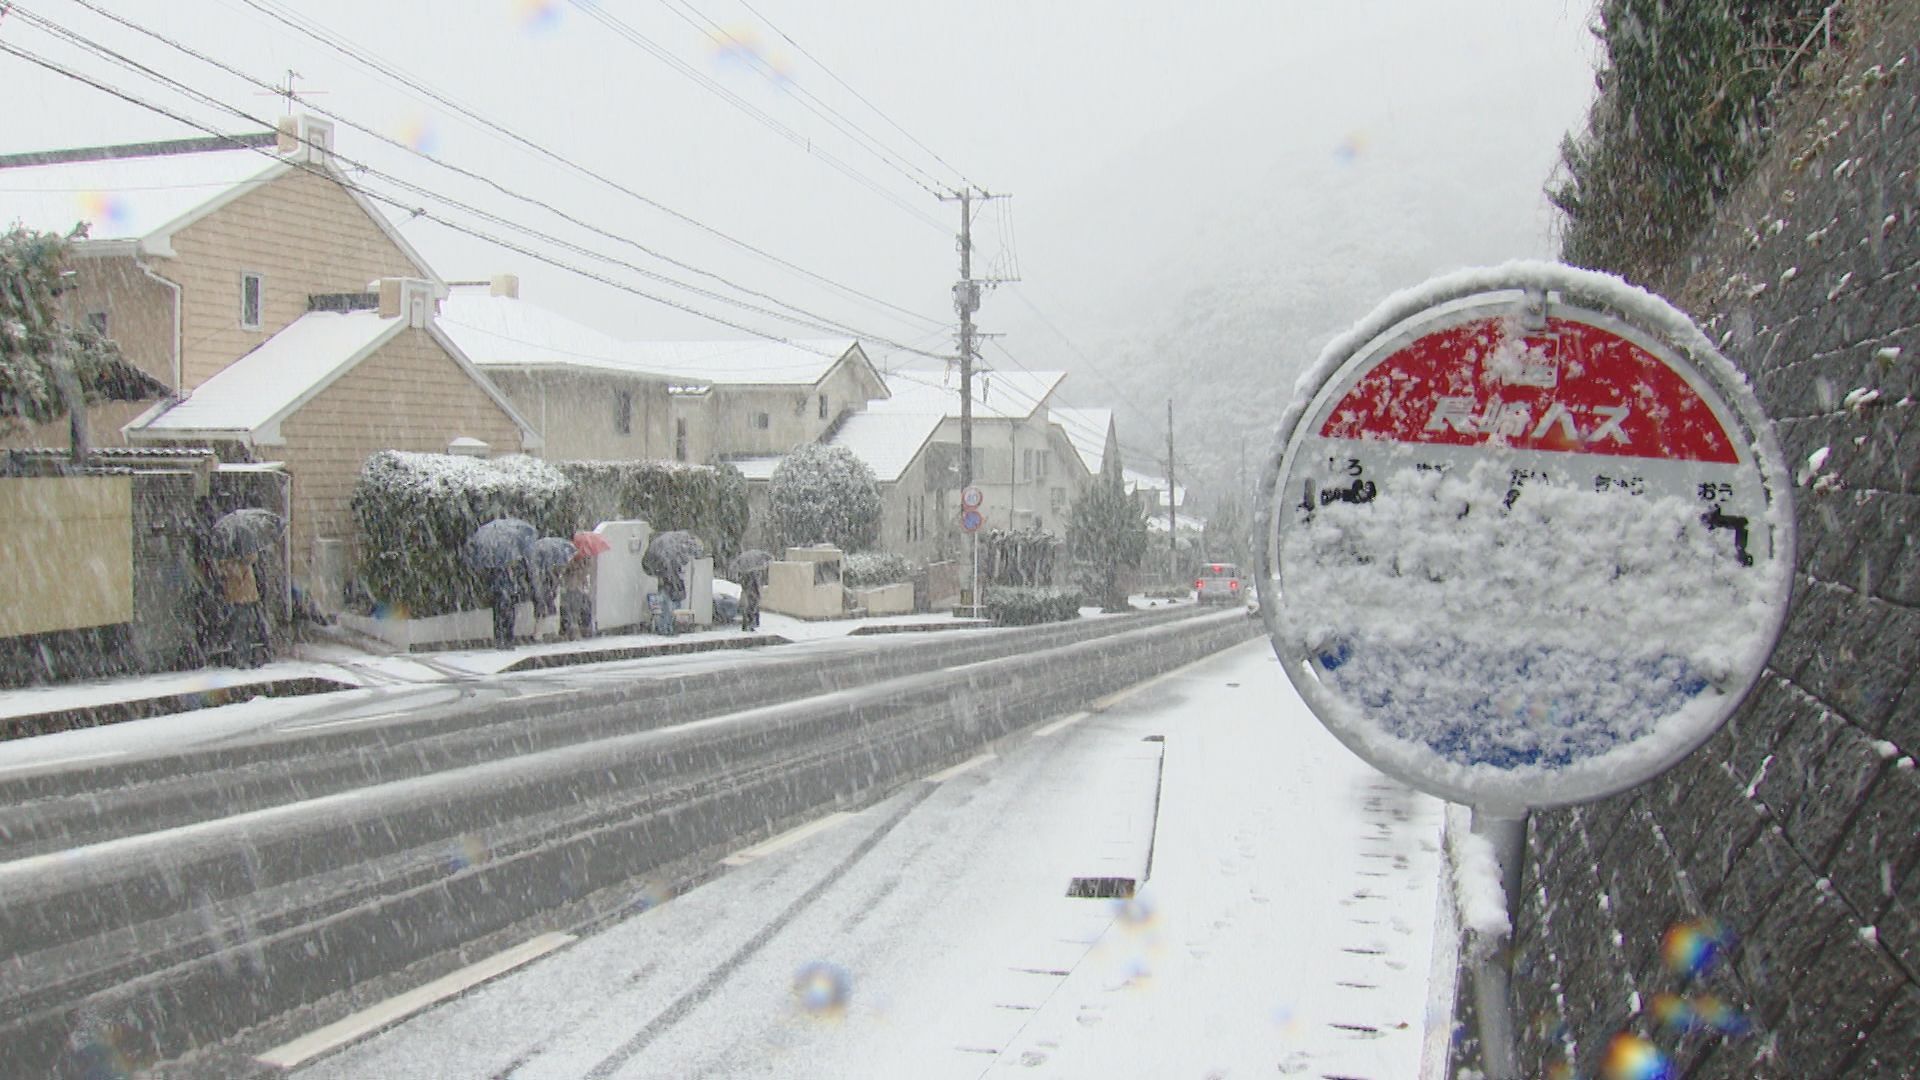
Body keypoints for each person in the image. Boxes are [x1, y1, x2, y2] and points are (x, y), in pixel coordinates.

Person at [216, 554, 270, 667]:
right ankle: (242, 657)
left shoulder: (242, 561)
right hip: (241, 597)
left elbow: (250, 560)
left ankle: (243, 657)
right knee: (242, 627)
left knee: (243, 626)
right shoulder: (237, 561)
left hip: (243, 597)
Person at [487, 564, 518, 650]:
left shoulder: (511, 571)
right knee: (501, 619)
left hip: (508, 596)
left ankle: (507, 641)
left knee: (509, 620)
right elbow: (496, 585)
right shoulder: (499, 570)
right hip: (501, 596)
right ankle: (502, 641)